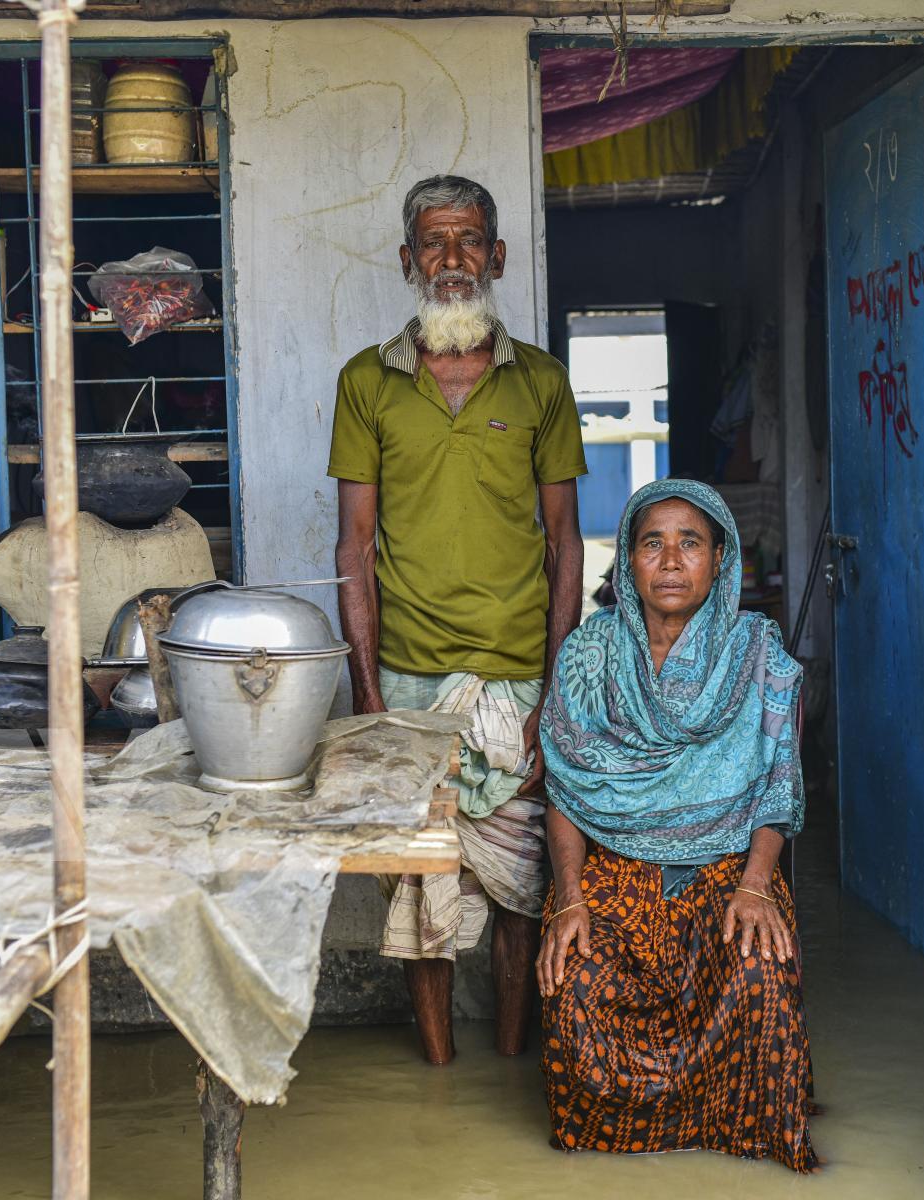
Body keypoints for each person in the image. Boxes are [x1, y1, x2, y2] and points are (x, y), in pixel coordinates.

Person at [329, 175, 586, 1064]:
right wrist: (367, 701)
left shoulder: (543, 382)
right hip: (406, 680)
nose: (451, 260)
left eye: (469, 240)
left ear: (497, 256)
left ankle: (513, 1057)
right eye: (433, 243)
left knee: (520, 887)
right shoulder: (366, 382)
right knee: (421, 889)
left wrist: (556, 692)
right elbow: (352, 551)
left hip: (518, 677)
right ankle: (439, 1070)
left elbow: (566, 546)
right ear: (407, 260)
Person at [536, 478, 820, 1172]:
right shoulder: (589, 654)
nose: (669, 561)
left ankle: (743, 1132)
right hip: (613, 871)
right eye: (651, 544)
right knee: (573, 982)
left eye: (690, 543)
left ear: (720, 559)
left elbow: (777, 788)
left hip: (731, 870)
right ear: (627, 561)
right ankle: (617, 1140)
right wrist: (569, 896)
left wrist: (757, 886)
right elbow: (567, 790)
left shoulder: (759, 652)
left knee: (759, 974)